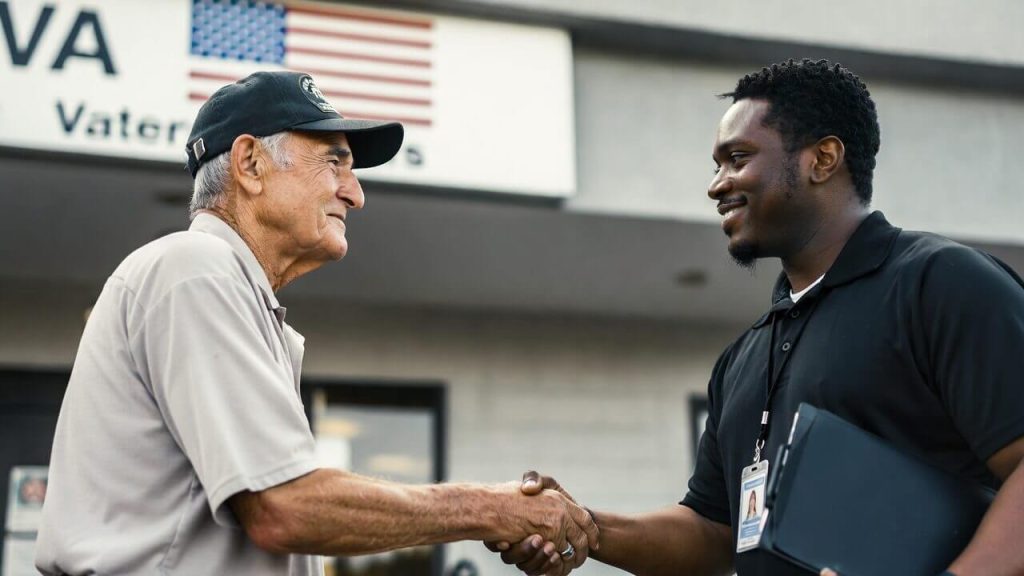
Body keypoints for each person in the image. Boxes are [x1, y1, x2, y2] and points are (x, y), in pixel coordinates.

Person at [35, 71, 598, 576]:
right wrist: (495, 509)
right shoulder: (196, 269)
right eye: (335, 161)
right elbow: (285, 508)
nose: (354, 194)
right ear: (250, 164)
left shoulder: (228, 292)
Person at [486, 59, 1024, 576]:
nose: (717, 185)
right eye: (716, 165)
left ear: (823, 159)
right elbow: (714, 533)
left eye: (737, 158)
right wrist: (584, 527)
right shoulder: (743, 359)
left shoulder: (940, 283)